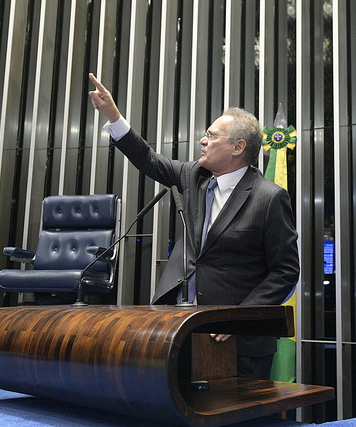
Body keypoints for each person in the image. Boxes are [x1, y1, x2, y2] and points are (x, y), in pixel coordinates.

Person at [89, 73, 300, 380]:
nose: (203, 140)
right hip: (177, 325)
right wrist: (114, 117)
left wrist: (239, 318)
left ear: (238, 147)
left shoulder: (269, 198)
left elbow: (285, 272)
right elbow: (147, 159)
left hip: (234, 339)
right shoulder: (194, 177)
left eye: (212, 136)